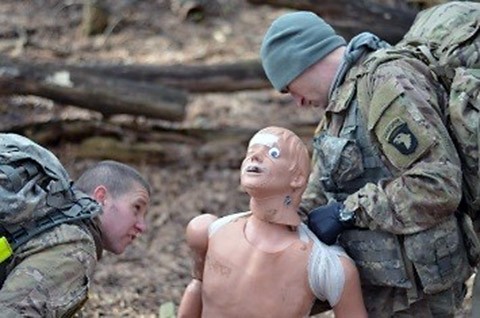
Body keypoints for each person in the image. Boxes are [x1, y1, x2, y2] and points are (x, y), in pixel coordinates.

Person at [259, 11, 473, 318]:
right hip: (379, 284)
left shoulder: (387, 83)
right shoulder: (339, 107)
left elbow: (438, 184)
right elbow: (324, 186)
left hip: (419, 292)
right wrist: (289, 218)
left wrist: (348, 212)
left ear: (304, 61)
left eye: (289, 88)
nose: (298, 102)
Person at [177, 126, 367, 317]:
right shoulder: (208, 232)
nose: (255, 157)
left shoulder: (326, 267)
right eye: (250, 152)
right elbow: (197, 289)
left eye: (273, 153)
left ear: (298, 178)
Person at [0, 160, 151, 317]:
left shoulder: (51, 221)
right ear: (101, 198)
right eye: (136, 208)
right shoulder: (75, 246)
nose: (142, 226)